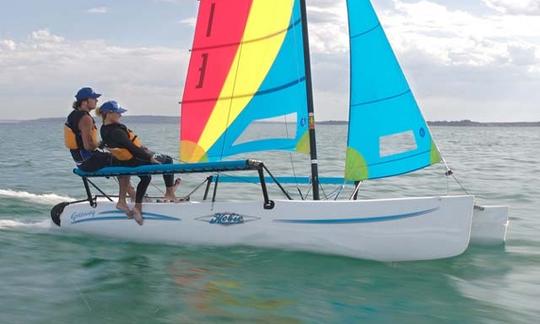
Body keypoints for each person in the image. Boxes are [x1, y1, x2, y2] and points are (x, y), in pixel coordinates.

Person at [98, 100, 180, 225]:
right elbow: (132, 148)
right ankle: (169, 193)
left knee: (146, 177)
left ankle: (138, 206)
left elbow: (124, 145)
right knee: (168, 160)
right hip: (134, 159)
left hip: (125, 161)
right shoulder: (117, 131)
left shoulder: (104, 129)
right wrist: (149, 157)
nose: (120, 115)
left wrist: (142, 149)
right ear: (108, 114)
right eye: (118, 113)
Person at [64, 87, 134, 215]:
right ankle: (122, 201)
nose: (96, 100)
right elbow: (88, 146)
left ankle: (132, 194)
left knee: (115, 158)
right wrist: (101, 144)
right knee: (124, 160)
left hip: (81, 161)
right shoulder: (85, 118)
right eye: (94, 98)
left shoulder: (72, 115)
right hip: (89, 161)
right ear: (85, 101)